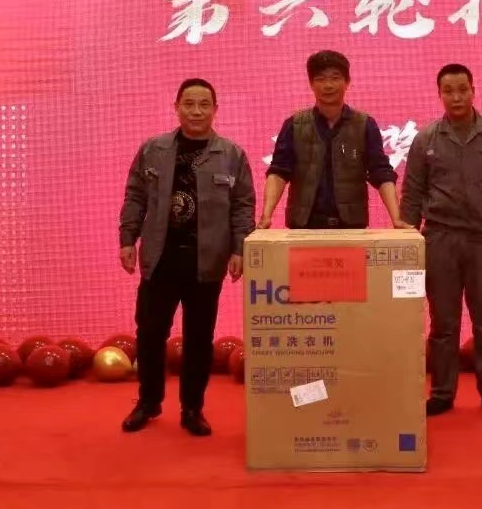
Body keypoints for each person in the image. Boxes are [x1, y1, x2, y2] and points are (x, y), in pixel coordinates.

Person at [118, 78, 255, 436]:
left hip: (206, 260)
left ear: (215, 110)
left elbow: (243, 206)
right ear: (176, 107)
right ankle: (148, 402)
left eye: (204, 104)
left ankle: (193, 408)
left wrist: (240, 248)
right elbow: (135, 196)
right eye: (189, 104)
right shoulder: (153, 149)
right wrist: (127, 238)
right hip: (160, 257)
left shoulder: (231, 154)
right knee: (150, 333)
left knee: (199, 338)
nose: (196, 111)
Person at [400, 64, 482, 418]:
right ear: (439, 94)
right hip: (440, 239)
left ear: (473, 90)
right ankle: (442, 392)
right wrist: (407, 238)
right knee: (444, 323)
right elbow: (412, 192)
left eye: (462, 89)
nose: (456, 97)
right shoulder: (426, 139)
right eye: (448, 91)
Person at [259, 50, 409, 230]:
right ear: (311, 84)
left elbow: (381, 172)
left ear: (347, 82)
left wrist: (396, 218)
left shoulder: (365, 124)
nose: (328, 85)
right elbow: (278, 172)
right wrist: (266, 216)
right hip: (304, 227)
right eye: (320, 79)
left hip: (351, 227)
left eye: (335, 78)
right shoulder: (294, 124)